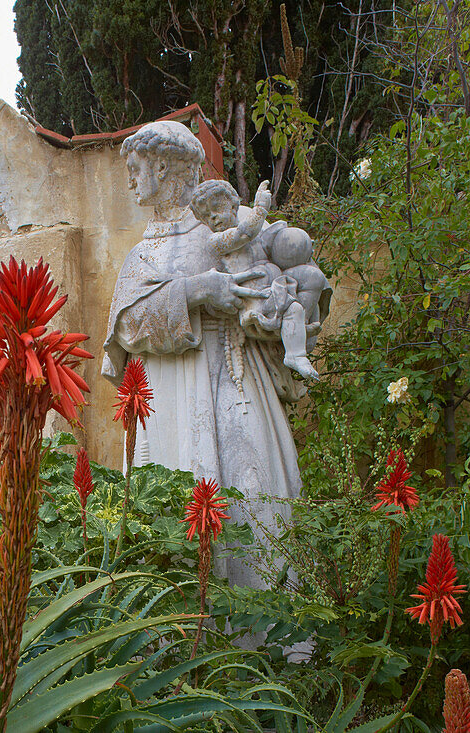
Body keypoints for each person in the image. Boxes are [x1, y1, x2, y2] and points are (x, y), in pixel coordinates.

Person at [102, 120, 327, 591]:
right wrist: (197, 291)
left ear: (163, 166)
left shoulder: (228, 224)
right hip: (166, 402)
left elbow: (285, 280)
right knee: (167, 521)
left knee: (252, 508)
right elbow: (125, 326)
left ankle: (261, 644)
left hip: (234, 391)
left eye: (135, 166)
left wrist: (266, 301)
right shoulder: (141, 254)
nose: (129, 178)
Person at [190, 179, 329, 381]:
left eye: (216, 207)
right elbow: (243, 233)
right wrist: (260, 209)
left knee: (313, 277)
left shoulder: (257, 228)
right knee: (293, 309)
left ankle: (299, 327)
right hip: (257, 294)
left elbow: (273, 245)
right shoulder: (216, 241)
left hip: (275, 281)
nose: (212, 216)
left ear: (233, 204)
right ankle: (295, 349)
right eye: (205, 216)